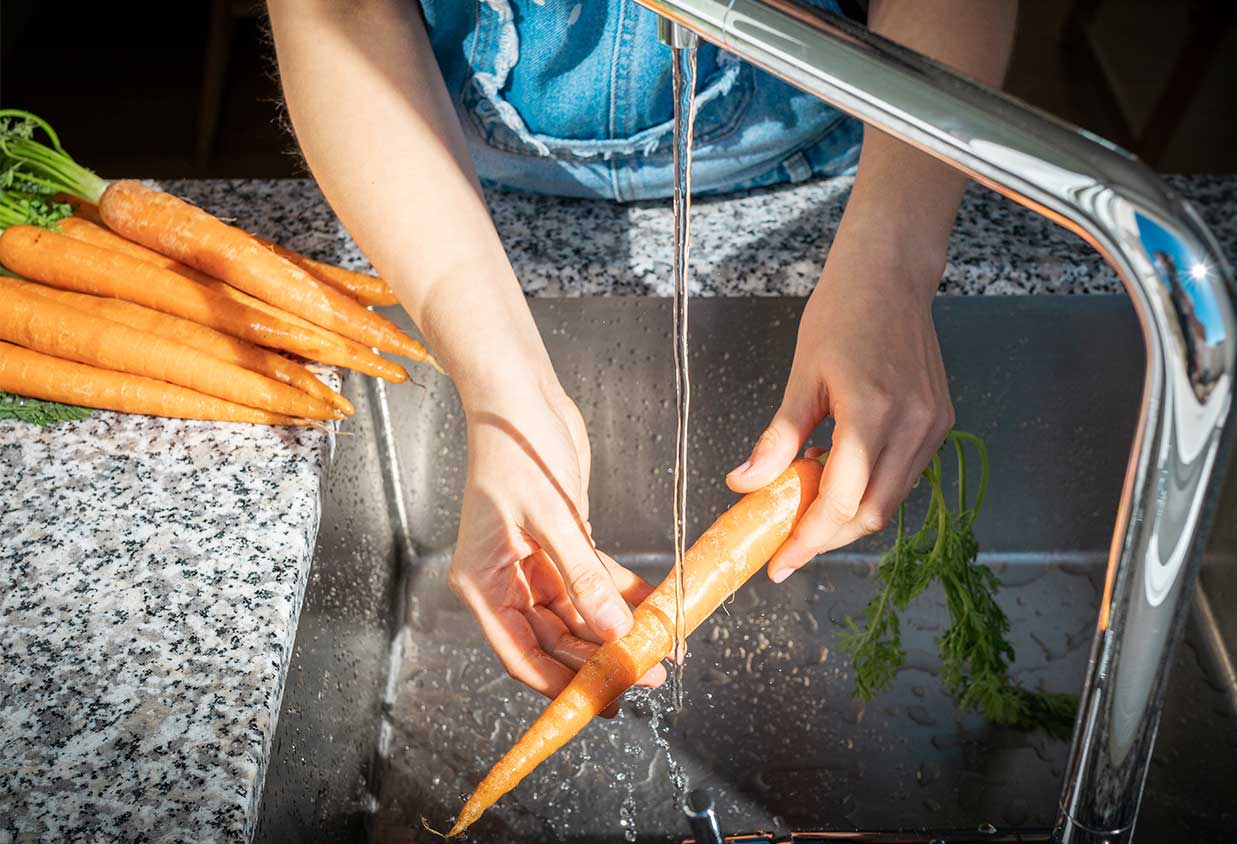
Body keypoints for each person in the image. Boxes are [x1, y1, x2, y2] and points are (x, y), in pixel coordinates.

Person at [266, 0, 1017, 702]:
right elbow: (345, 12)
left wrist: (889, 268)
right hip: (431, 170)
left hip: (844, 166)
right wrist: (503, 387)